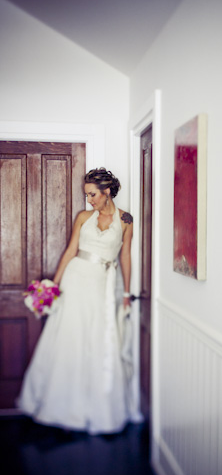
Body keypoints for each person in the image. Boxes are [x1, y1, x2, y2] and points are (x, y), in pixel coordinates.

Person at [17, 168, 134, 435]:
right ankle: (58, 405)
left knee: (96, 336)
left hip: (102, 284)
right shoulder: (83, 216)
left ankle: (93, 405)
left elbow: (125, 256)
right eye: (87, 194)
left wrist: (126, 292)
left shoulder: (126, 219)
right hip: (76, 278)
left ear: (106, 192)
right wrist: (54, 286)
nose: (89, 199)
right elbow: (71, 250)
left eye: (92, 194)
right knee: (69, 335)